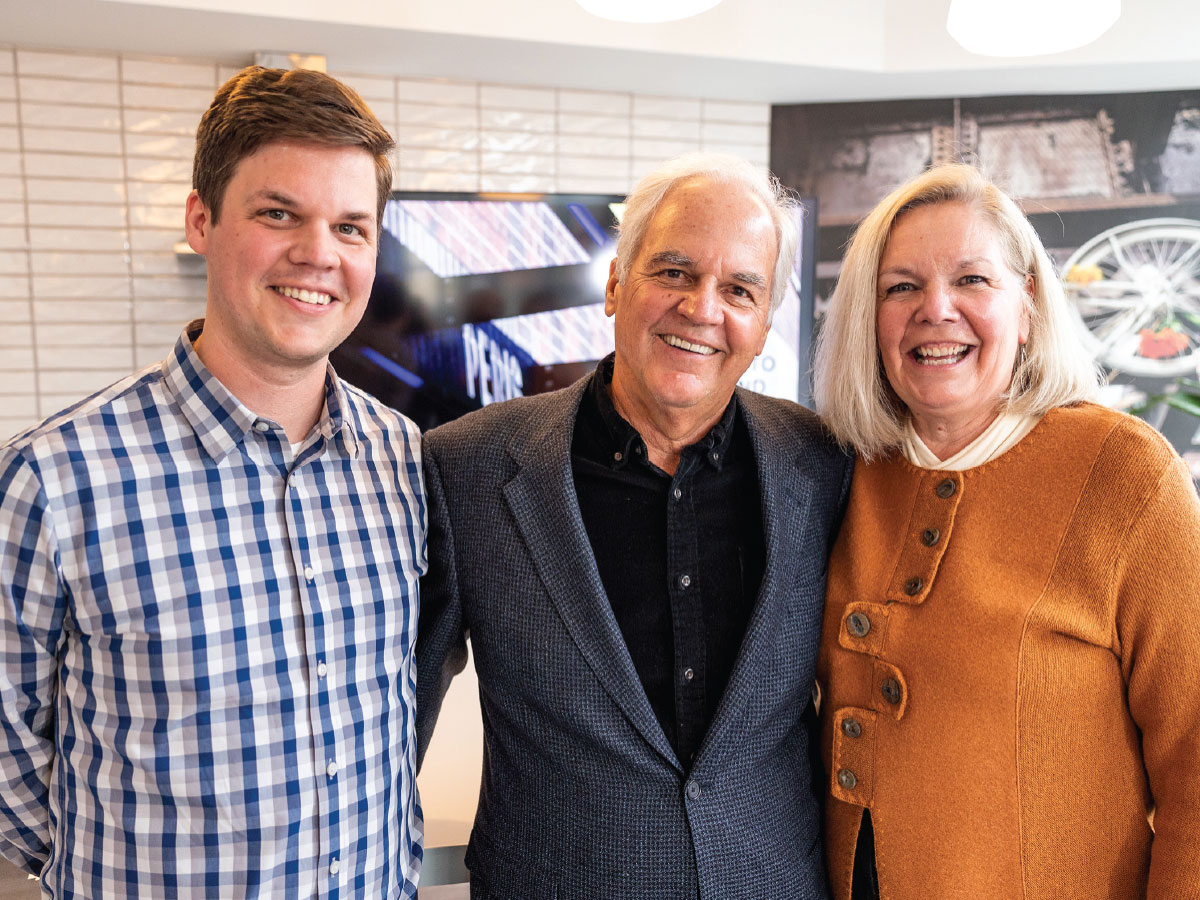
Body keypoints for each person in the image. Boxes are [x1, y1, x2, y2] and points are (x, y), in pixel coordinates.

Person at [0, 67, 427, 897]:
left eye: (351, 227)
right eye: (278, 214)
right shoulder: (52, 479)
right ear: (201, 219)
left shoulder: (403, 457)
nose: (318, 254)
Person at [416, 152, 852, 899]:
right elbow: (395, 717)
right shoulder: (468, 467)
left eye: (739, 289)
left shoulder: (823, 463)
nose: (702, 308)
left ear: (763, 324)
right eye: (674, 273)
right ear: (617, 283)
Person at [812, 163, 1200, 900]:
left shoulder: (1124, 473)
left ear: (1026, 308)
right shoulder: (840, 474)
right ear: (870, 318)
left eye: (972, 281)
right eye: (901, 287)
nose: (935, 310)